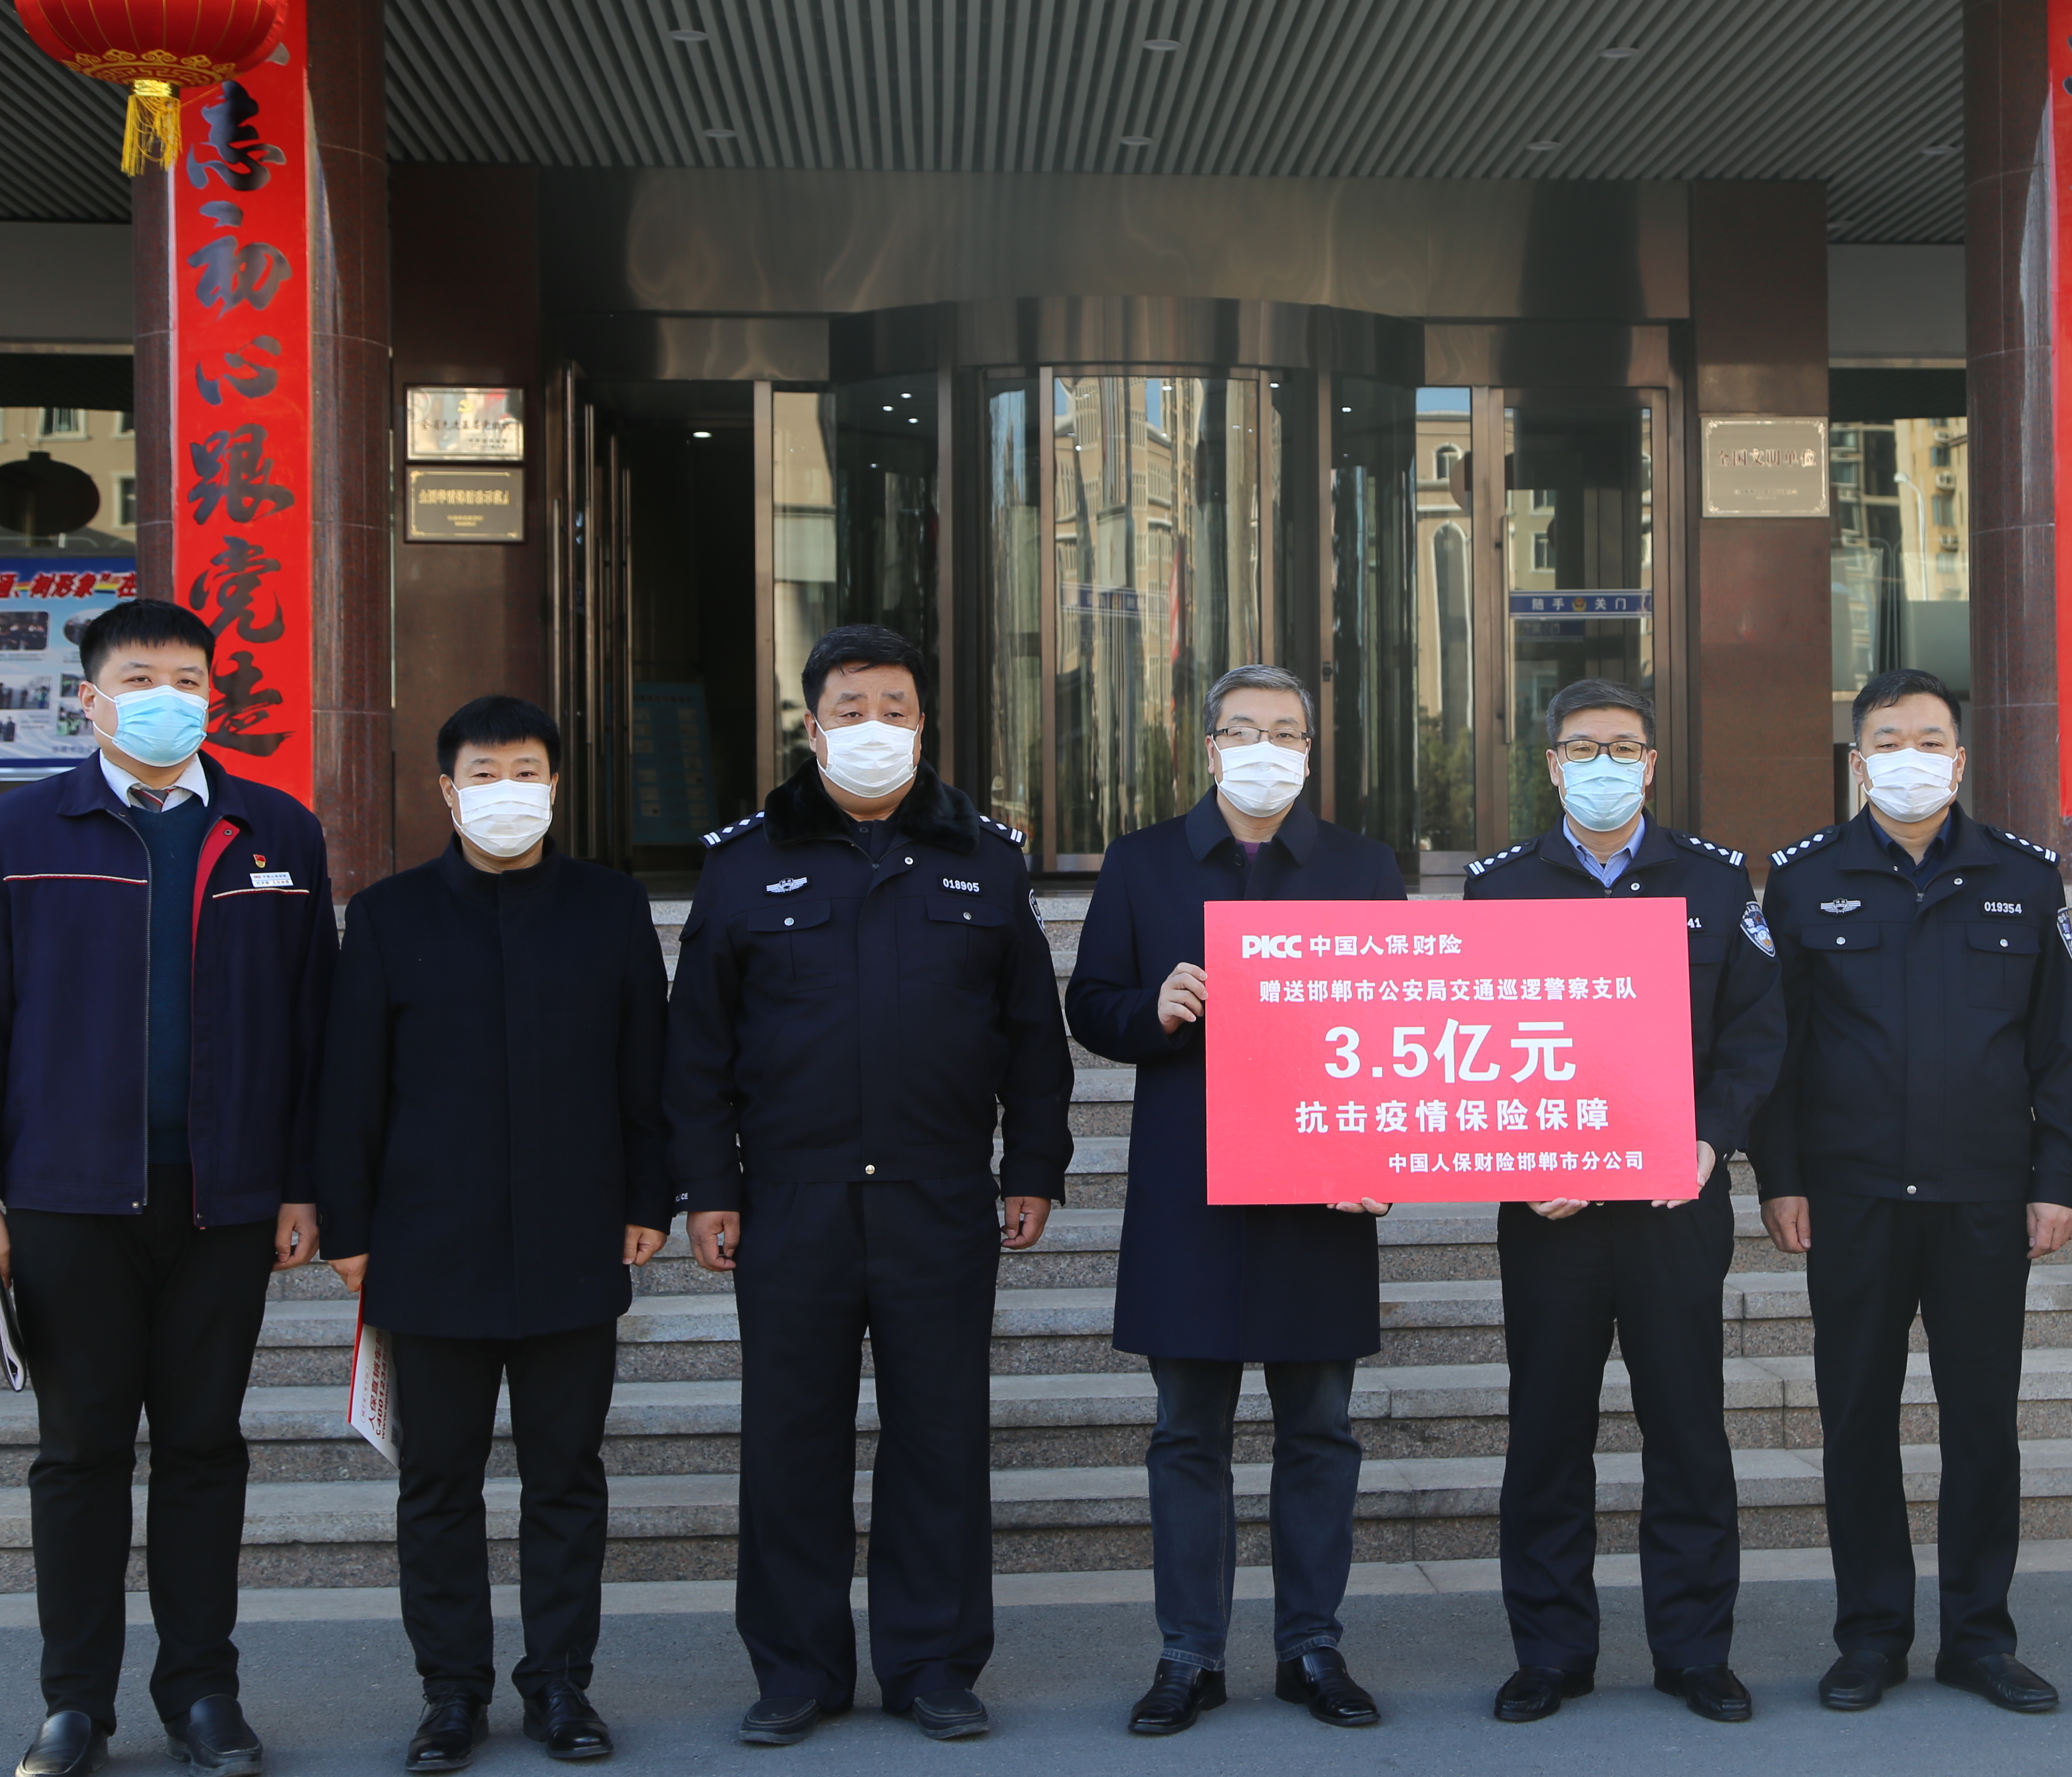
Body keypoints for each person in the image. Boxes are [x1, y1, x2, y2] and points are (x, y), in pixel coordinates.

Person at [0, 598, 333, 1777]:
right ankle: (76, 1706)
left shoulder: (278, 830)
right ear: (90, 699)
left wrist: (304, 1185)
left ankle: (204, 1694)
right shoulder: (19, 830)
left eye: (191, 676)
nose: (171, 694)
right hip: (66, 1199)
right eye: (143, 675)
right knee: (82, 1451)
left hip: (228, 1198)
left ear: (215, 695)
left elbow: (314, 1026)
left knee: (206, 1448)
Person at [665, 624, 1071, 1747]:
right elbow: (698, 1047)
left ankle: (934, 1664)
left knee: (940, 1440)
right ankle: (796, 1670)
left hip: (940, 1197)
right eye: (850, 709)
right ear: (810, 724)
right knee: (790, 1442)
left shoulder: (987, 857)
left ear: (925, 722)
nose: (873, 728)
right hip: (792, 1198)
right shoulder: (745, 861)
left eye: (894, 707)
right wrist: (710, 1187)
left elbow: (1031, 1034)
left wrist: (1033, 1165)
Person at [317, 696, 673, 1771]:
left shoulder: (610, 909)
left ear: (555, 787)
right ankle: (451, 1692)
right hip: (429, 1245)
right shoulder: (388, 918)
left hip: (575, 1241)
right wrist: (348, 1227)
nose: (506, 789)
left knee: (566, 1475)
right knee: (438, 1483)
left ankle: (561, 1685)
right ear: (447, 789)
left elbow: (644, 1071)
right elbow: (349, 1092)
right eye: (485, 771)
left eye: (527, 770)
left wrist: (649, 1199)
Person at [1065, 663, 1401, 1738]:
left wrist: (1389, 1151)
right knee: (1186, 1432)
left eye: (1286, 730)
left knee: (1319, 1429)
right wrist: (1151, 1007)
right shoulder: (1143, 863)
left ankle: (1312, 1646)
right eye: (1244, 729)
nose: (1266, 747)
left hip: (1321, 1193)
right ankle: (1188, 1655)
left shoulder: (1361, 868)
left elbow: (1400, 1032)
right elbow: (1090, 1007)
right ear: (1209, 746)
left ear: (1311, 748)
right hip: (1190, 1194)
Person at [1752, 669, 2072, 1717]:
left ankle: (1980, 1638)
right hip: (1851, 1198)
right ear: (1860, 762)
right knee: (1858, 1420)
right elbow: (1778, 1050)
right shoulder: (1805, 880)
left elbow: (2053, 1051)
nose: (1911, 755)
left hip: (1984, 1197)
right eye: (1888, 739)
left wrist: (2059, 1178)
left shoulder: (2024, 879)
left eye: (1930, 738)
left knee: (1982, 1423)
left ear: (1959, 756)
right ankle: (1872, 1636)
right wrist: (1783, 1179)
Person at [1461, 678, 1784, 1726]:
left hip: (1672, 1207)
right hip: (1547, 1215)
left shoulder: (1713, 879)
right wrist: (1516, 1161)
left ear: (1652, 763)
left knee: (1687, 1430)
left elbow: (1755, 1037)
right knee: (1547, 1433)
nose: (1606, 764)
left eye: (1626, 748)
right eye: (1584, 748)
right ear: (1552, 766)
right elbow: (1467, 1049)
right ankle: (1551, 1652)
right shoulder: (1499, 888)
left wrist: (1706, 1141)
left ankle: (1694, 1650)